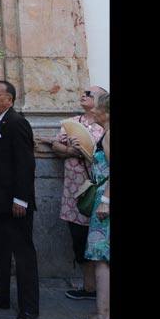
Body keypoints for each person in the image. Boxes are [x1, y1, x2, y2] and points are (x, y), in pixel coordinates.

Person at [0, 80, 39, 319]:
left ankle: (29, 307)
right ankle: (0, 295)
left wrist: (21, 199)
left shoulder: (18, 123)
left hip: (16, 203)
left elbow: (26, 164)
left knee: (23, 255)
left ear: (9, 99)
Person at [46, 87, 107, 301]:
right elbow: (55, 145)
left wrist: (85, 151)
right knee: (78, 238)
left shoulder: (104, 128)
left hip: (96, 191)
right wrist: (71, 151)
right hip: (74, 192)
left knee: (97, 239)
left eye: (90, 94)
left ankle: (96, 288)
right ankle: (88, 286)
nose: (84, 95)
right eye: (84, 92)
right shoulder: (73, 122)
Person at [75, 90, 111, 319]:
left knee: (101, 259)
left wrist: (105, 200)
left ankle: (102, 317)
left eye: (95, 106)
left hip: (106, 201)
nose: (91, 110)